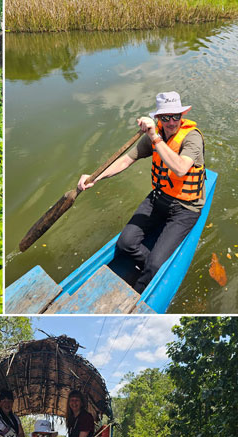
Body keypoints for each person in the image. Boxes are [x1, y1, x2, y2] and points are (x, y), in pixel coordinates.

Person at [77, 92, 206, 292]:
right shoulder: (155, 136)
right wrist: (96, 177)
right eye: (165, 117)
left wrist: (154, 137)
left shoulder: (192, 138)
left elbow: (181, 168)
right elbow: (127, 159)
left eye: (176, 116)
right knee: (125, 243)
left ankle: (141, 288)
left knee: (155, 265)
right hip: (159, 198)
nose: (171, 122)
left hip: (185, 207)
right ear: (158, 119)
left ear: (183, 115)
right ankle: (152, 264)